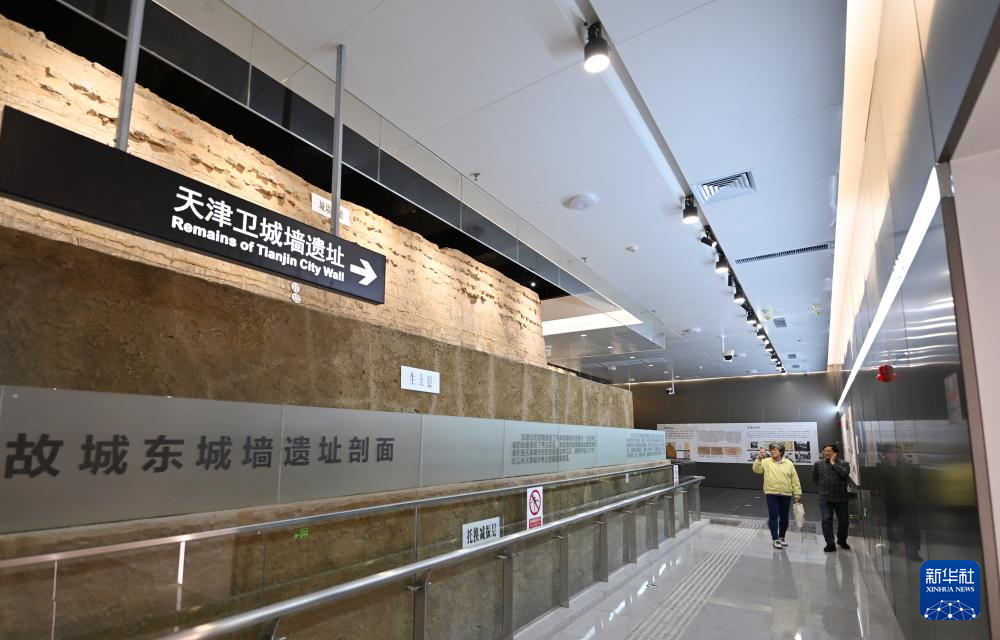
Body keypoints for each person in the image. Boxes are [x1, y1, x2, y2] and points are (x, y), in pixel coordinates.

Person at [752, 443, 802, 548]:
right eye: (771, 450)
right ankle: (775, 539)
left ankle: (782, 537)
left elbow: (795, 479)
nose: (772, 451)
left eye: (775, 449)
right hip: (771, 493)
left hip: (786, 493)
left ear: (781, 451)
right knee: (773, 515)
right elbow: (756, 470)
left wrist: (797, 493)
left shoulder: (789, 463)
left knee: (784, 517)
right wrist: (759, 458)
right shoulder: (766, 461)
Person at [813, 443, 851, 552]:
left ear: (835, 453)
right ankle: (830, 543)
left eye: (829, 451)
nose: (826, 453)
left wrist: (833, 463)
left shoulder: (844, 463)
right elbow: (814, 478)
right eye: (824, 451)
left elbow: (844, 475)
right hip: (825, 498)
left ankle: (842, 540)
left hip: (841, 498)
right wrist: (822, 488)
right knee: (826, 520)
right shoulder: (818, 464)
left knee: (844, 521)